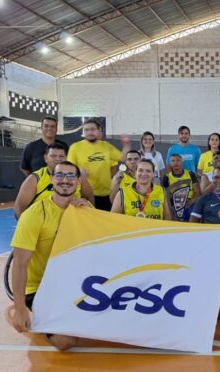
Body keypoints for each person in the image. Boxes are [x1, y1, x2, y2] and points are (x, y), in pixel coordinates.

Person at [9, 161, 92, 351]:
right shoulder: (34, 214)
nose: (65, 180)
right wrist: (19, 308)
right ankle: (41, 316)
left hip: (74, 284)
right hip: (41, 288)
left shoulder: (85, 211)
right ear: (52, 179)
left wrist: (91, 212)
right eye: (60, 175)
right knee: (65, 341)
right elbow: (19, 264)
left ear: (78, 181)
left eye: (71, 176)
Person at [14, 143, 94, 219]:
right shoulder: (35, 178)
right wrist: (25, 226)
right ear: (45, 158)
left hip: (73, 222)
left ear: (66, 158)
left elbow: (89, 197)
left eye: (61, 156)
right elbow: (19, 207)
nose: (58, 159)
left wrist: (89, 213)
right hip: (45, 225)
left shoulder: (78, 176)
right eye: (53, 156)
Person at [66, 119, 130, 211]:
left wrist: (126, 145)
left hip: (107, 194)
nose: (89, 132)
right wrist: (80, 171)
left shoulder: (106, 146)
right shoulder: (75, 147)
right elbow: (69, 169)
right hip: (86, 195)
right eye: (86, 130)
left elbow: (123, 158)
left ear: (99, 130)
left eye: (92, 129)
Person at [162, 153, 201, 221]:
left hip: (190, 202)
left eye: (178, 160)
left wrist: (189, 203)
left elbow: (197, 193)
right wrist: (178, 204)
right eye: (173, 161)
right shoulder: (167, 177)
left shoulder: (190, 174)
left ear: (182, 162)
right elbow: (166, 195)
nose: (175, 163)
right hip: (175, 203)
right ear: (170, 164)